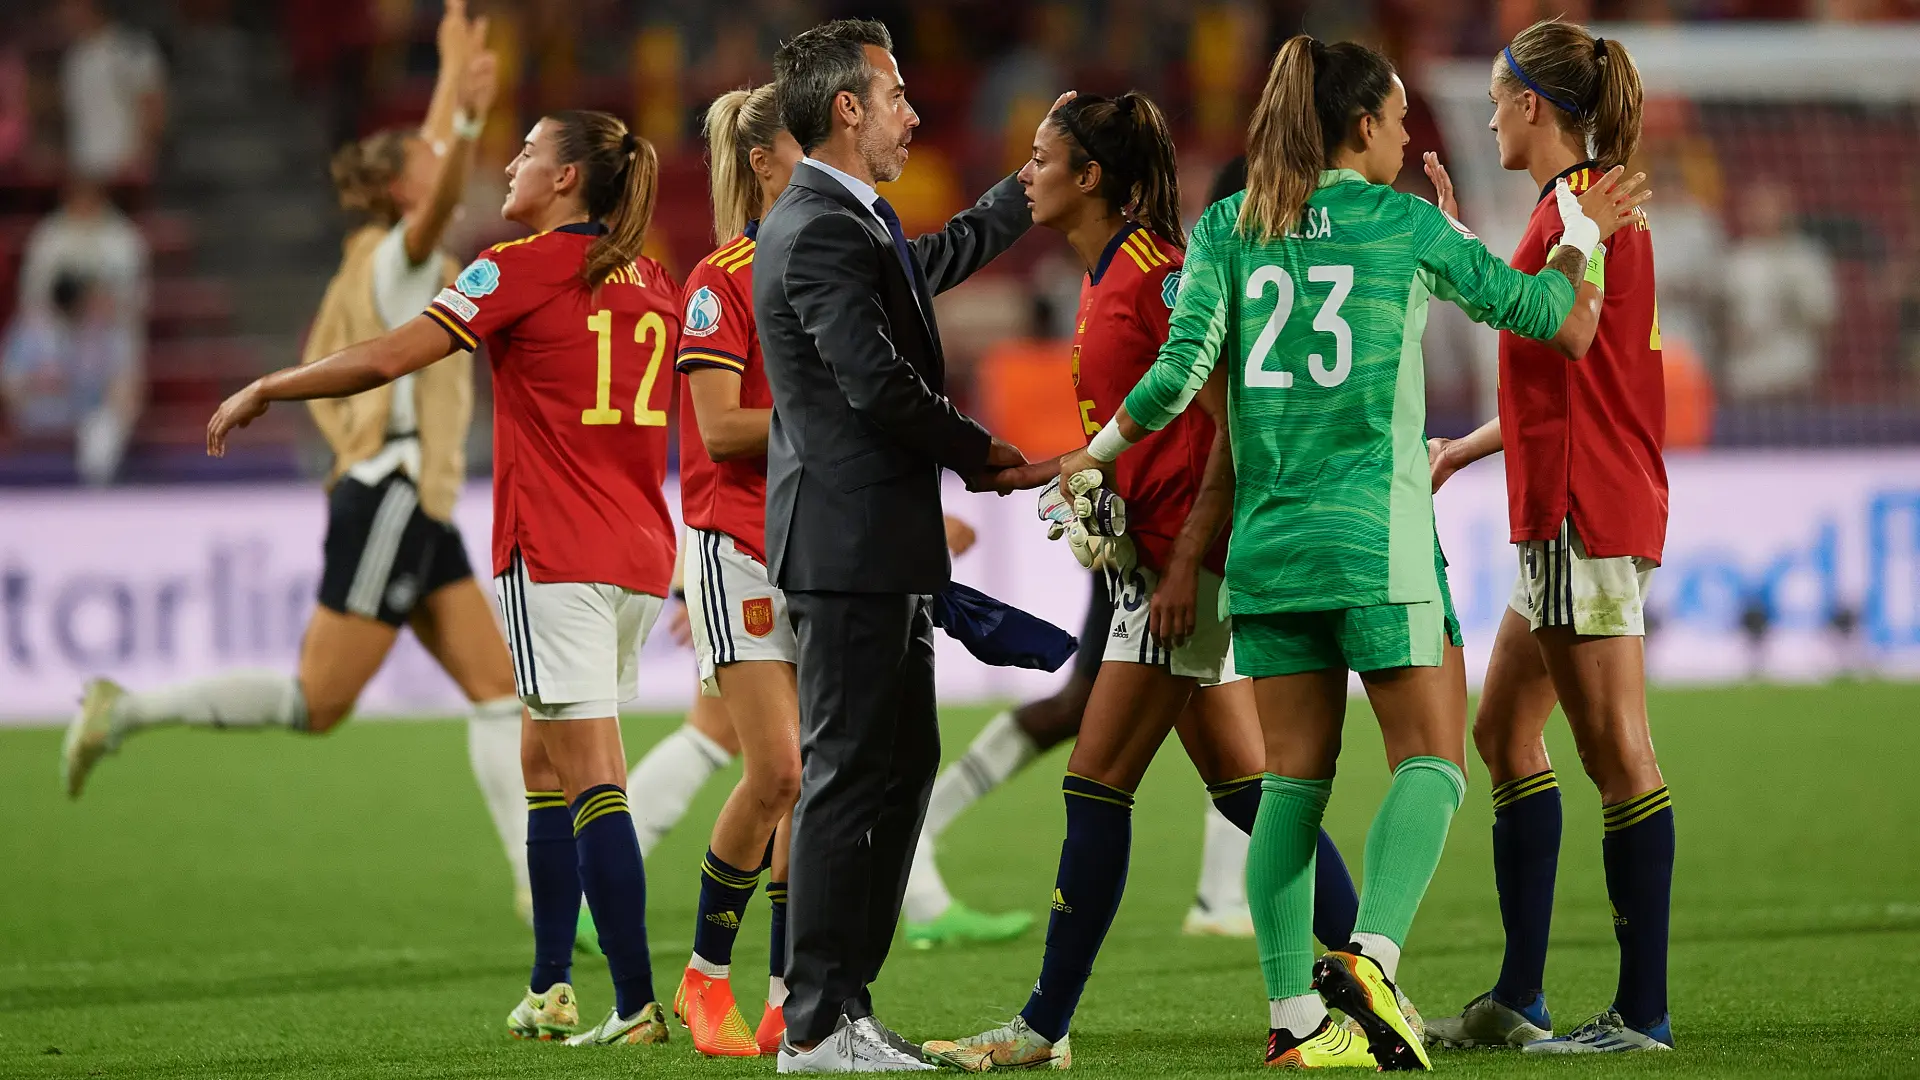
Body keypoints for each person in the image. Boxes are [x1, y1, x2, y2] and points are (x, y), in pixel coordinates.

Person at [1054, 35, 1648, 1070]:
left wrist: (1090, 457)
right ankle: (1370, 956)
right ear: (1364, 126)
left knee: (1292, 785)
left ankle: (1295, 1025)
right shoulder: (1399, 223)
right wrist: (1583, 237)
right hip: (1375, 538)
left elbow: (1176, 373)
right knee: (1433, 760)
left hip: (1271, 546)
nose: (1412, 131)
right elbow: (1554, 320)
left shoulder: (1232, 226)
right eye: (1402, 116)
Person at [203, 104, 682, 1049]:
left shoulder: (513, 270)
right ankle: (551, 986)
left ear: (567, 180)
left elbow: (387, 357)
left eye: (530, 152)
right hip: (638, 552)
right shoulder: (652, 277)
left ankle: (635, 1006)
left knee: (591, 775)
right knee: (542, 760)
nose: (510, 164)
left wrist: (271, 385)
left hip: (556, 556)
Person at [920, 92, 1377, 1073]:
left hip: (1188, 573)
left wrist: (1178, 563)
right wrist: (1058, 468)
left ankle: (1043, 1027)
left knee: (1096, 781)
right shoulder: (1108, 279)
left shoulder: (1160, 282)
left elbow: (1236, 425)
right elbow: (1152, 432)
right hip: (1162, 566)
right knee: (1252, 793)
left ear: (1091, 178)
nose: (1026, 173)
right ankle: (1368, 989)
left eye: (1043, 158)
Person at [59, 9, 533, 937]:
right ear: (400, 192)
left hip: (410, 504)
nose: (445, 167)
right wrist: (469, 120)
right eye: (427, 166)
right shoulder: (401, 260)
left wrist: (448, 73)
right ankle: (123, 714)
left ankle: (536, 887)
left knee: (495, 691)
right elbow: (438, 193)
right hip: (391, 495)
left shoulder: (386, 254)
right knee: (316, 704)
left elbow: (429, 160)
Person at [754, 18, 1035, 1073]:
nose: (916, 113)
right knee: (846, 774)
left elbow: (925, 267)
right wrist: (982, 453)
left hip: (876, 545)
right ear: (848, 110)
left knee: (897, 764)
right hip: (849, 543)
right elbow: (873, 381)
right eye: (899, 95)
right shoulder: (820, 227)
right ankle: (818, 1022)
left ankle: (844, 1006)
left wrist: (1017, 197)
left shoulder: (846, 221)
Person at [1422, 19, 1675, 1055]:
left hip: (1582, 511)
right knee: (1502, 733)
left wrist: (1462, 258)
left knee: (1618, 752)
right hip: (1566, 505)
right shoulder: (1572, 209)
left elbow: (1563, 330)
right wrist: (1468, 449)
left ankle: (1642, 1016)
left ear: (1532, 104)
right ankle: (1518, 1000)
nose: (1486, 114)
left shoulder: (1579, 207)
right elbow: (1569, 369)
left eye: (1495, 96)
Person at [669, 82, 806, 1059]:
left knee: (815, 783)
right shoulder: (721, 279)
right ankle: (704, 976)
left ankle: (791, 992)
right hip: (736, 544)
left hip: (819, 546)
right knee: (777, 771)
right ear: (765, 164)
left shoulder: (831, 269)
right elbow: (719, 431)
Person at [0, 271, 141, 484]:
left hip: (87, 420)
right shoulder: (30, 331)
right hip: (38, 414)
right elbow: (7, 387)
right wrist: (36, 383)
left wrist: (117, 408)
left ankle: (94, 491)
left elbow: (124, 390)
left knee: (104, 428)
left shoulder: (110, 335)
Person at [1722, 178, 1836, 401]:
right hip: (1745, 381)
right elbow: (1720, 322)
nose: (1762, 213)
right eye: (1755, 206)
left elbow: (1825, 320)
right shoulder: (1734, 259)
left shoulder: (1806, 257)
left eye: (1769, 206)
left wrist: (1792, 311)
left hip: (1793, 379)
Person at [57, 0, 166, 181]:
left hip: (125, 170)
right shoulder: (73, 56)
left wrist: (141, 159)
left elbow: (154, 108)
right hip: (85, 171)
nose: (64, 14)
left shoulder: (131, 47)